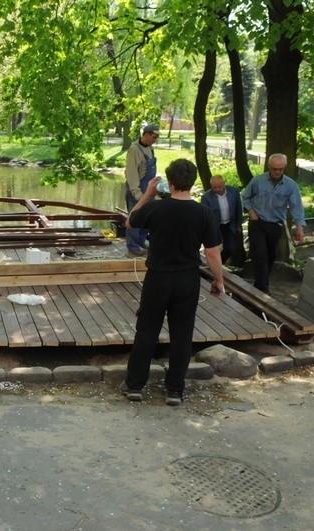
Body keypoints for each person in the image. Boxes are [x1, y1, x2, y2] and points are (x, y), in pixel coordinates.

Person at [121, 158, 225, 406]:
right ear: (194, 182)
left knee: (147, 331)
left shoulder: (156, 207)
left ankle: (135, 386)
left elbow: (130, 222)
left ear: (169, 182)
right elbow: (212, 252)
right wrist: (219, 280)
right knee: (182, 334)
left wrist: (147, 194)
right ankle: (175, 390)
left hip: (158, 276)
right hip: (187, 278)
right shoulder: (204, 212)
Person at [241, 153, 306, 293]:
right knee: (260, 254)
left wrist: (300, 226)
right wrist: (251, 212)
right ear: (269, 166)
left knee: (270, 256)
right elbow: (245, 198)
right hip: (257, 222)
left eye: (280, 169)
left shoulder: (290, 185)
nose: (277, 172)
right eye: (274, 168)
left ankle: (261, 283)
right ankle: (263, 290)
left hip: (275, 224)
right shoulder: (258, 181)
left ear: (285, 167)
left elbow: (296, 206)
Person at [124, 123, 160, 256]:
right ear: (145, 134)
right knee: (135, 217)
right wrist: (137, 194)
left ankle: (141, 240)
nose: (155, 140)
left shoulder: (150, 148)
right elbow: (131, 173)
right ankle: (132, 246)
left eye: (156, 137)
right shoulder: (134, 149)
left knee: (148, 217)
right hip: (137, 188)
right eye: (154, 137)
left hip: (149, 188)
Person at [200, 174, 244, 265]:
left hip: (230, 225)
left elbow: (238, 209)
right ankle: (214, 265)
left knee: (230, 248)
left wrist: (238, 225)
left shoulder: (234, 191)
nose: (217, 190)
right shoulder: (206, 197)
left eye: (219, 187)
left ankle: (219, 263)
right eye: (214, 188)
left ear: (224, 183)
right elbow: (204, 216)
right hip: (216, 226)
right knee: (213, 249)